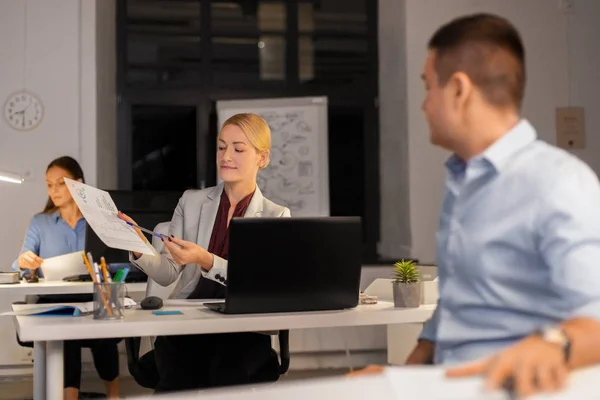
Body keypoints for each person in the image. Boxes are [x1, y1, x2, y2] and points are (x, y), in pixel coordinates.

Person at [348, 13, 600, 397]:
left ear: (459, 90)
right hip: (452, 386)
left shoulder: (559, 182)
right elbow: (454, 315)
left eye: (428, 87)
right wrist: (395, 379)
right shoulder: (462, 184)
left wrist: (552, 345)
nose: (424, 105)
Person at [119, 113, 291, 392]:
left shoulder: (276, 216)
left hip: (244, 328)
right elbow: (167, 273)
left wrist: (205, 259)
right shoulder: (192, 201)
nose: (226, 156)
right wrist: (137, 246)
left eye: (238, 148)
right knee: (176, 381)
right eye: (222, 147)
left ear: (263, 158)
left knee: (225, 375)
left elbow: (260, 285)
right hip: (189, 322)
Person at [12, 156, 120, 400]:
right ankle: (69, 396)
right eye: (49, 184)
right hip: (55, 301)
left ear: (78, 184)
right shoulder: (40, 222)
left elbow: (112, 263)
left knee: (102, 325)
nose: (54, 190)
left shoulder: (98, 221)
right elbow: (19, 265)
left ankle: (114, 395)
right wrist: (25, 262)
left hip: (93, 297)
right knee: (67, 324)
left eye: (60, 183)